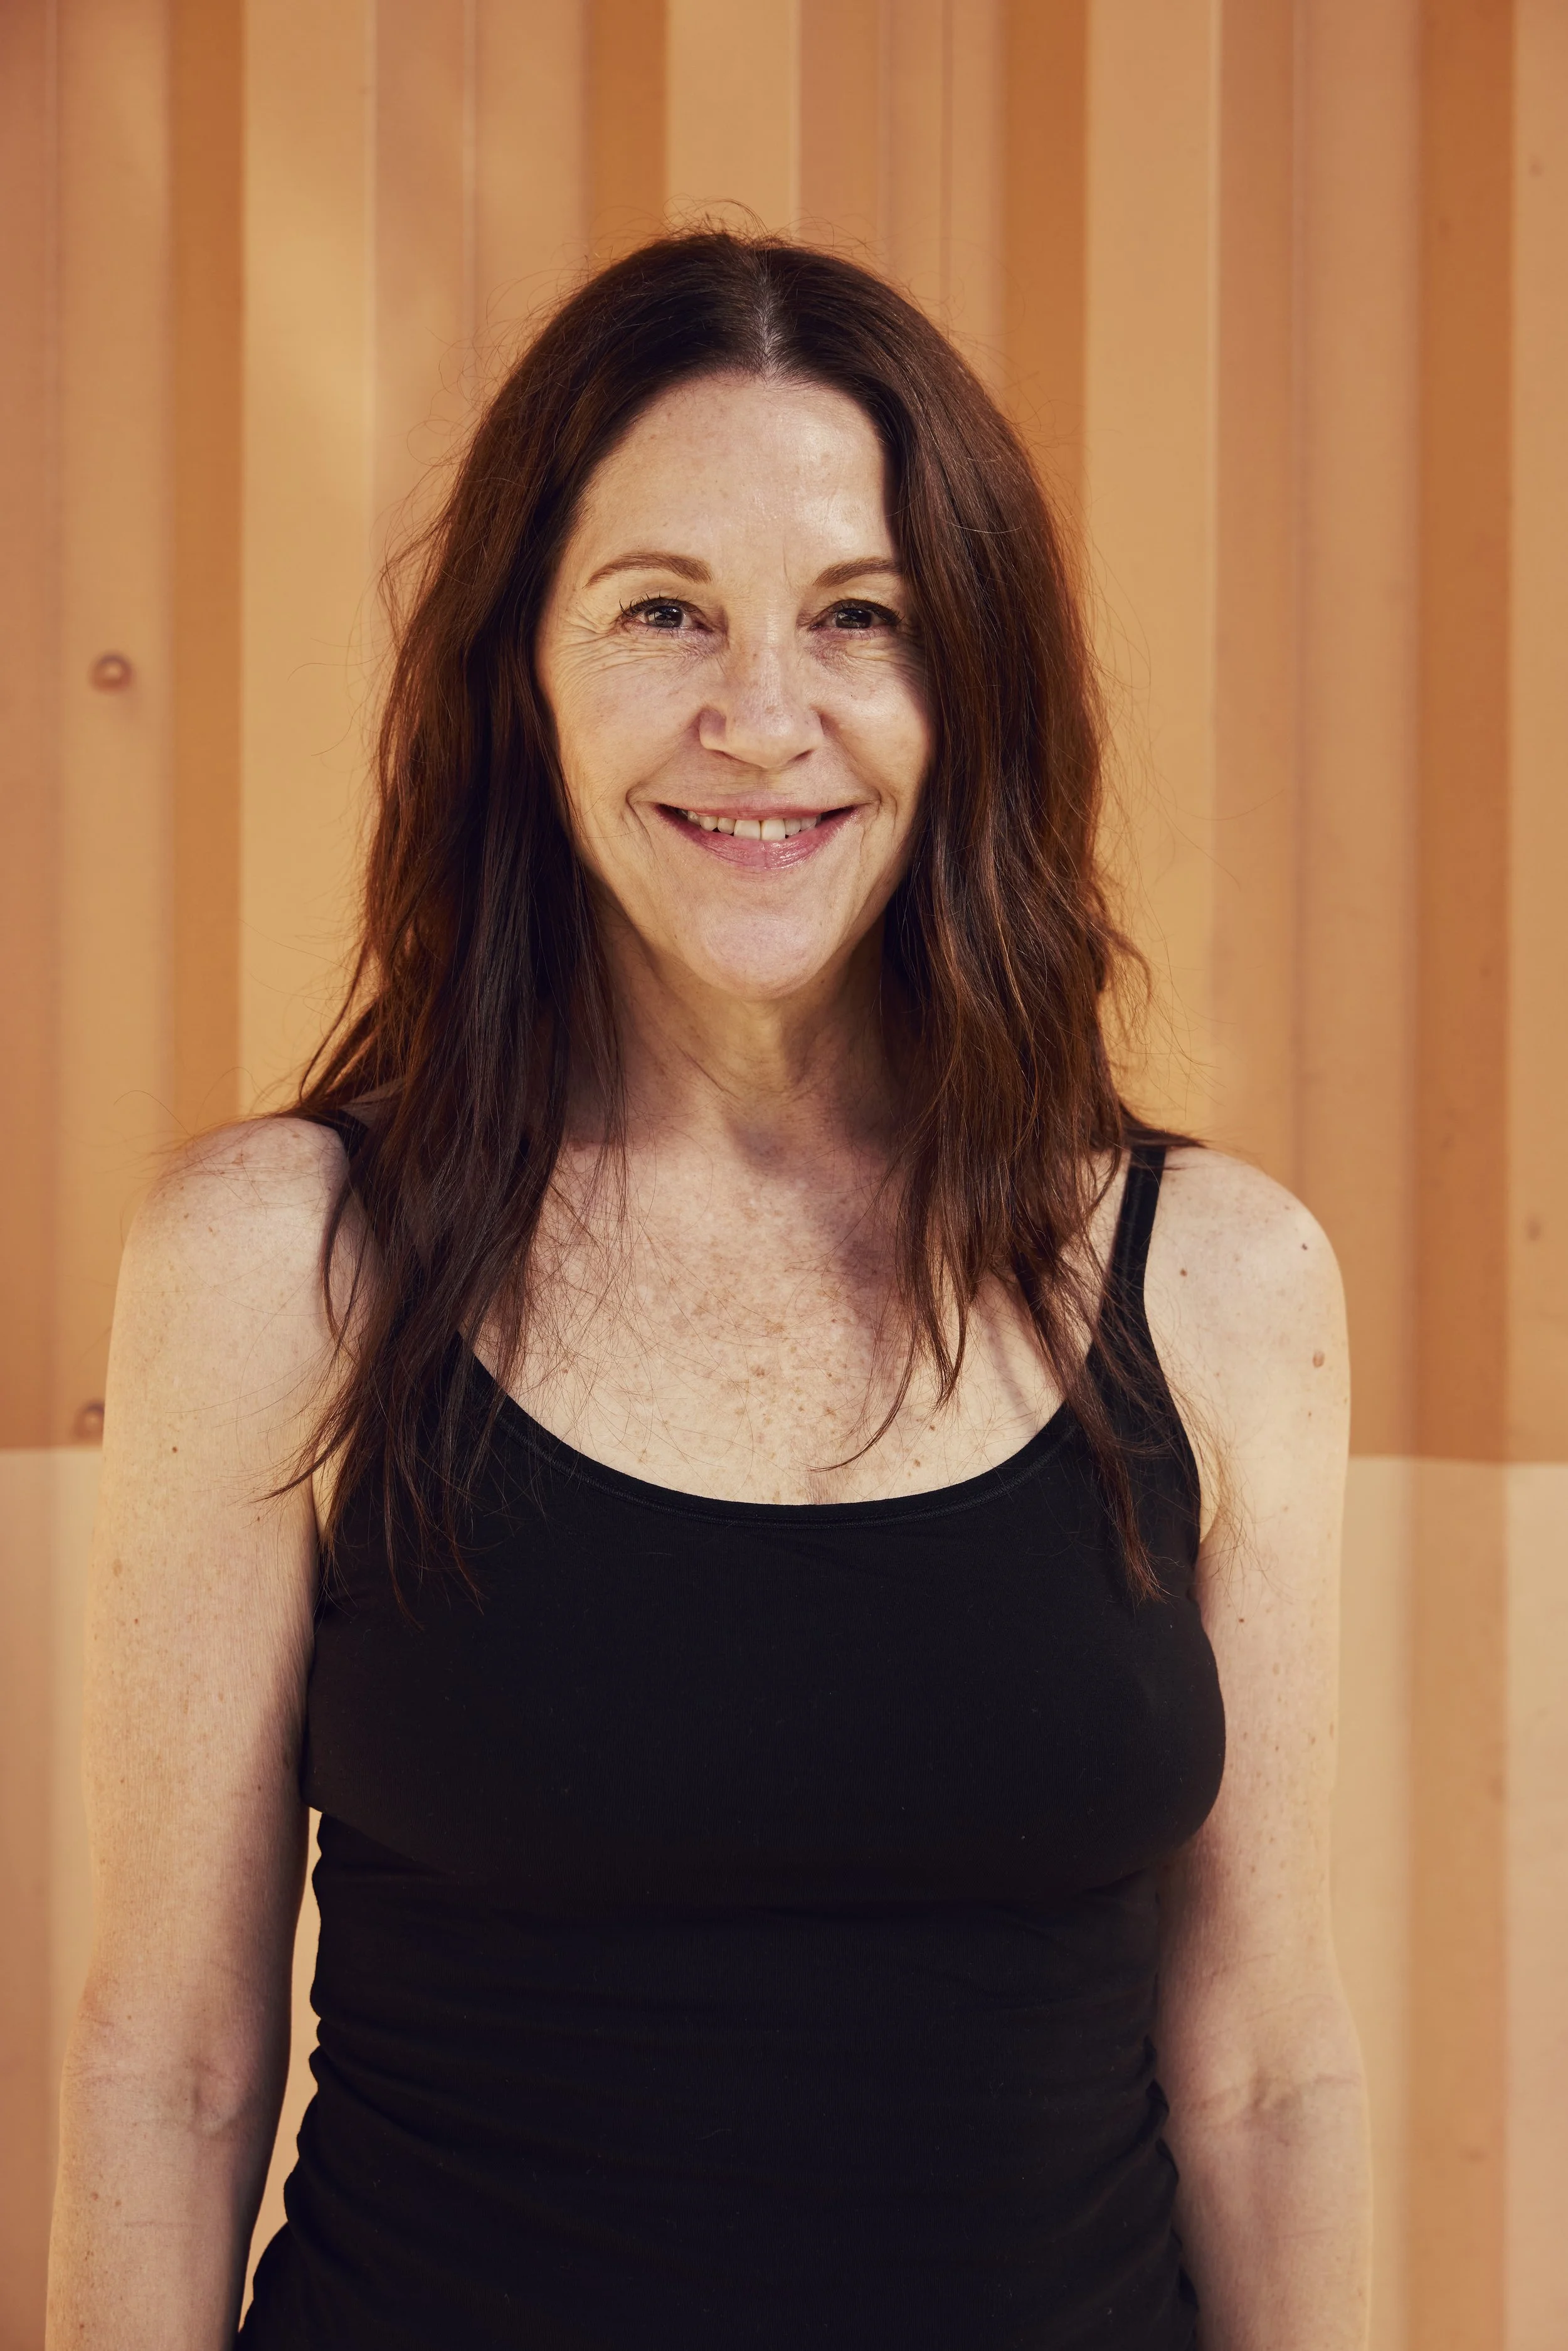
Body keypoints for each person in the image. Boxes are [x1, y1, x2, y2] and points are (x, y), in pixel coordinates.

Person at [46, 233, 1369, 2350]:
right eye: (662, 611)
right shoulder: (284, 1263)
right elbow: (171, 2069)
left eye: (859, 617)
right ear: (523, 675)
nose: (764, 717)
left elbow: (1266, 2075)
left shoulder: (1217, 1280)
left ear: (972, 690)